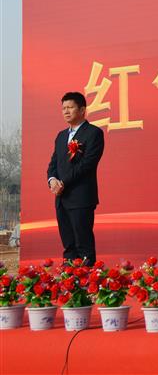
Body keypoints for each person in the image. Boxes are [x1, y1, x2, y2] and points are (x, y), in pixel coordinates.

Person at [46, 92, 105, 265]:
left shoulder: (93, 133)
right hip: (61, 198)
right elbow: (54, 163)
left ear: (82, 110)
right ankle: (69, 277)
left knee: (83, 244)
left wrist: (63, 182)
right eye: (63, 108)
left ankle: (87, 279)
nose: (66, 111)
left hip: (81, 197)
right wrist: (52, 180)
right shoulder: (61, 136)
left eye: (70, 107)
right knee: (69, 245)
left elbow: (87, 164)